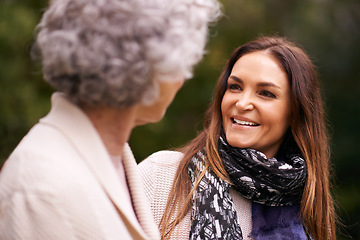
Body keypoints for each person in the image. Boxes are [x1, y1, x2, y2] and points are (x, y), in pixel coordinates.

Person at [0, 0, 221, 239]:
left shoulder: (112, 159)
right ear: (145, 68)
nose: (183, 78)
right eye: (181, 61)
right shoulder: (42, 188)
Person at [139, 36, 337, 240]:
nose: (242, 103)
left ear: (295, 113)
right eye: (235, 87)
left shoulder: (309, 209)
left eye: (266, 93)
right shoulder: (161, 177)